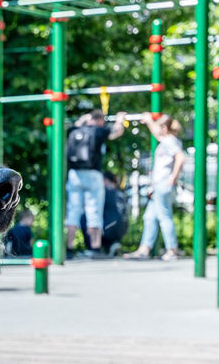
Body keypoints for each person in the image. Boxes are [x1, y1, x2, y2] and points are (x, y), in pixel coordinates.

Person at [65, 109, 125, 254]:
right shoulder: (98, 131)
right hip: (93, 174)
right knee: (94, 210)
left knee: (73, 211)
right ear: (101, 120)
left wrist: (83, 118)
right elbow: (116, 132)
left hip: (74, 174)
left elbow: (74, 125)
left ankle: (69, 248)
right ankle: (95, 247)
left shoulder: (74, 130)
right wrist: (119, 120)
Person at [128, 115, 186, 261]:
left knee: (164, 217)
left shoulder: (170, 141)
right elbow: (157, 133)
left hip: (163, 184)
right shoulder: (166, 141)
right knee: (149, 217)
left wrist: (173, 177)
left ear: (165, 128)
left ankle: (172, 249)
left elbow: (180, 157)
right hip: (158, 185)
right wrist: (149, 122)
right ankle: (144, 249)